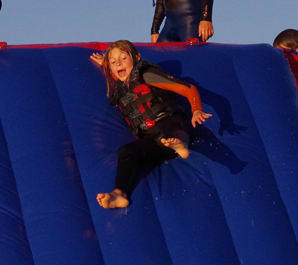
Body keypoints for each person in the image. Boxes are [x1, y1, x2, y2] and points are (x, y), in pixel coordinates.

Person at [90, 40, 212, 209]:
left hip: (170, 122)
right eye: (113, 61)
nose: (118, 63)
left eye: (124, 58)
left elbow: (187, 88)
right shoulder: (122, 86)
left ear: (136, 58)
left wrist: (197, 109)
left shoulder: (146, 75)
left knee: (170, 131)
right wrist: (105, 63)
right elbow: (118, 69)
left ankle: (181, 144)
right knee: (125, 152)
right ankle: (119, 194)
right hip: (153, 140)